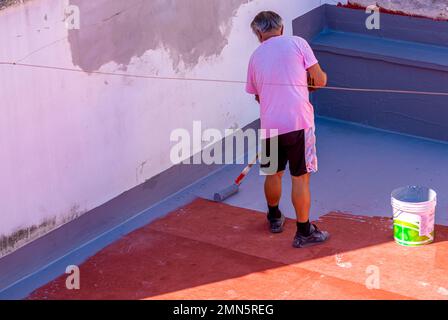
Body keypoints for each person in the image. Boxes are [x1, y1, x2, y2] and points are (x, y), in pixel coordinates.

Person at [246, 11, 330, 248]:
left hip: (270, 125)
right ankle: (304, 232)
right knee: (300, 178)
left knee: (273, 173)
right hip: (298, 123)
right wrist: (309, 83)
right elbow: (320, 80)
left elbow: (259, 98)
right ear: (281, 28)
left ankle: (274, 218)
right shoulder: (298, 43)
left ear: (259, 33)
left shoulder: (255, 56)